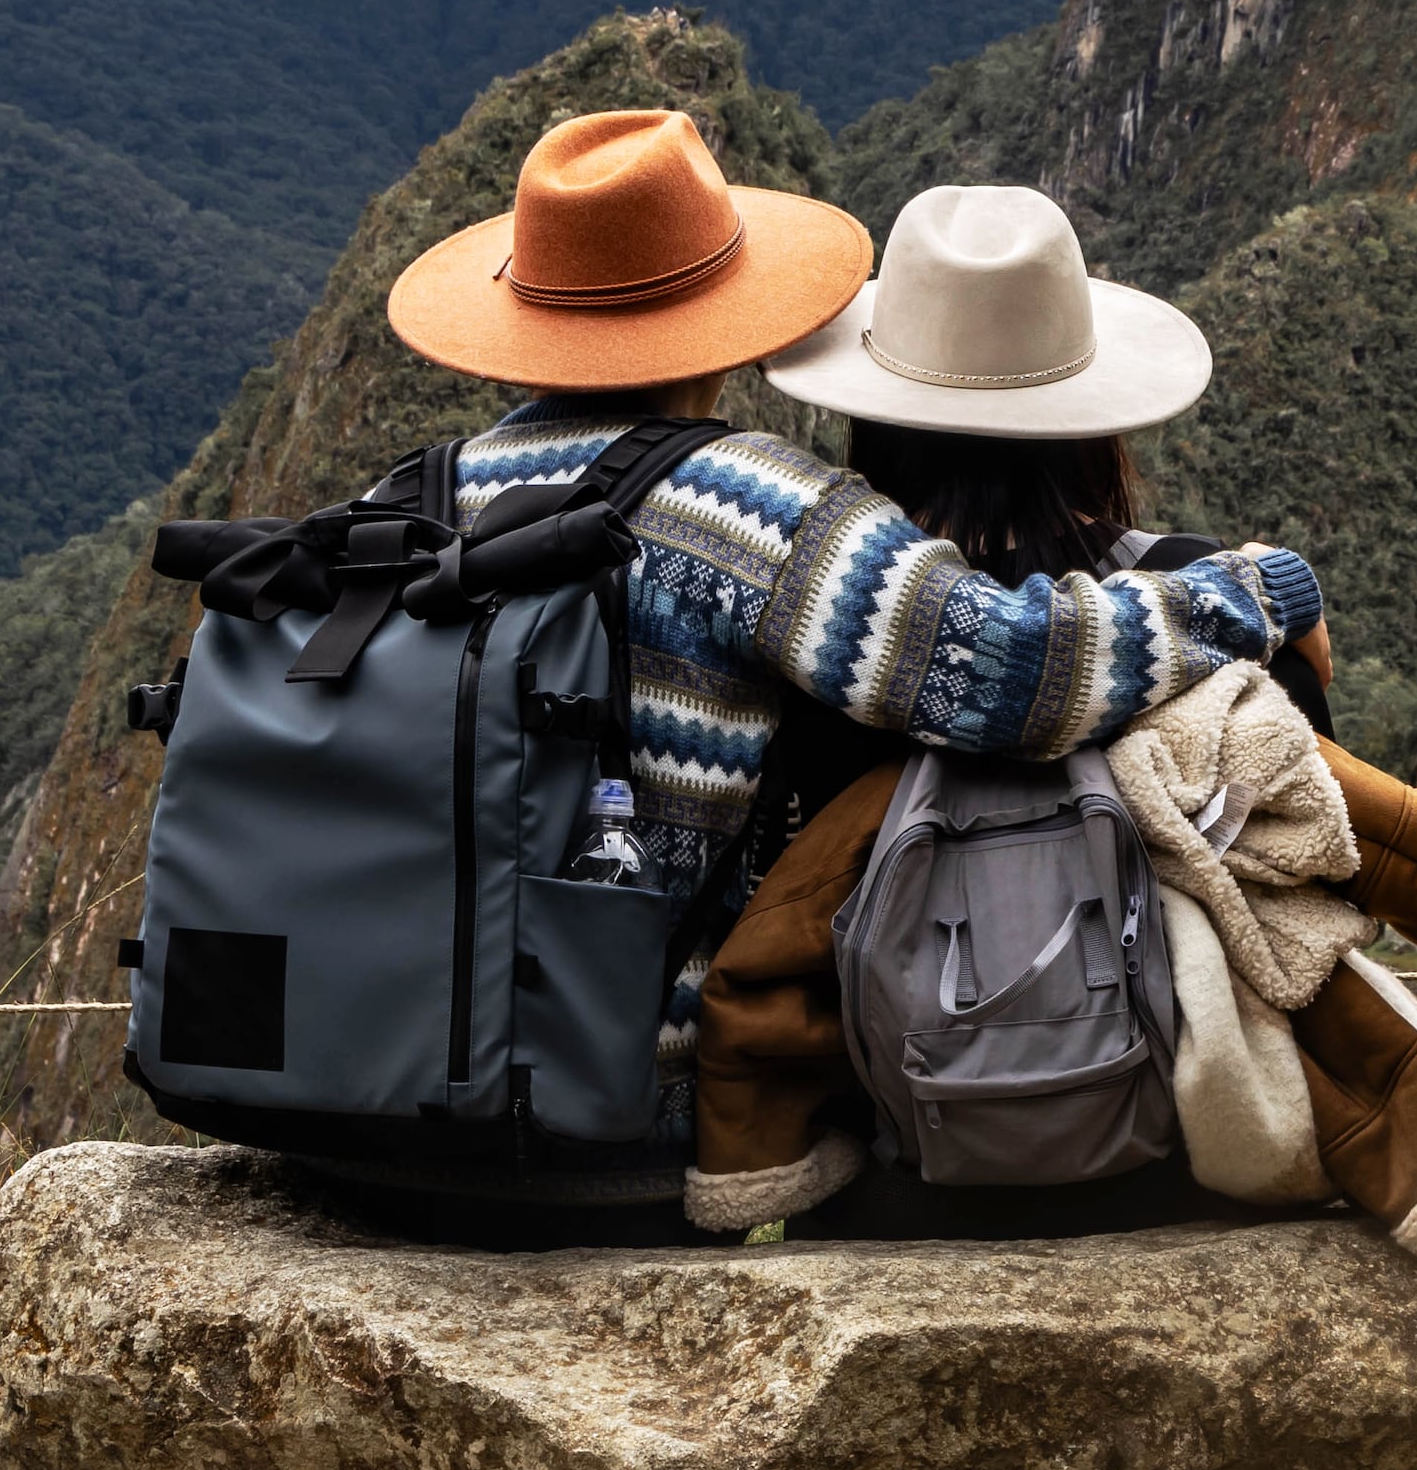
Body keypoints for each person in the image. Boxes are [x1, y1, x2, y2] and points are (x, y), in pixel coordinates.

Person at [378, 109, 1334, 1182]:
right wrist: (1256, 590)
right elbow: (1012, 671)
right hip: (611, 1115)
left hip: (387, 1083)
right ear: (719, 309)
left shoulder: (414, 500)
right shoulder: (750, 508)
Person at [689, 183, 1417, 1254]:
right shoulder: (1209, 597)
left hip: (907, 1176)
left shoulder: (841, 649)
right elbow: (1319, 869)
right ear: (1094, 423)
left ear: (872, 425)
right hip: (1187, 1170)